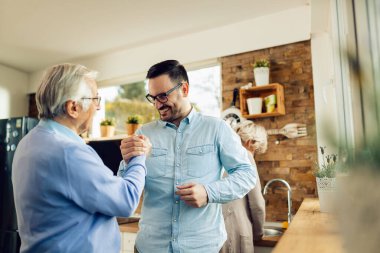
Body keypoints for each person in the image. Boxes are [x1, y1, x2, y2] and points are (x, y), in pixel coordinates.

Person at [119, 60, 258, 253]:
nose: (158, 105)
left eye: (162, 96)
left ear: (184, 89)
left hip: (204, 247)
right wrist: (127, 163)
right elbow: (123, 189)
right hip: (150, 247)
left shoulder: (217, 129)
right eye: (153, 98)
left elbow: (247, 174)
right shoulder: (144, 133)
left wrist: (209, 192)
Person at [12, 63, 150, 253]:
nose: (98, 107)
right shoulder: (69, 152)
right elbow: (126, 201)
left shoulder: (28, 142)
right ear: (73, 107)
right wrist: (139, 156)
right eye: (95, 99)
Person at [220, 121, 267, 253]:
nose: (254, 154)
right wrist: (259, 233)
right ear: (250, 142)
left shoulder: (223, 155)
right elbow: (257, 203)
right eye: (256, 150)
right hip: (235, 231)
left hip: (217, 231)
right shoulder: (246, 156)